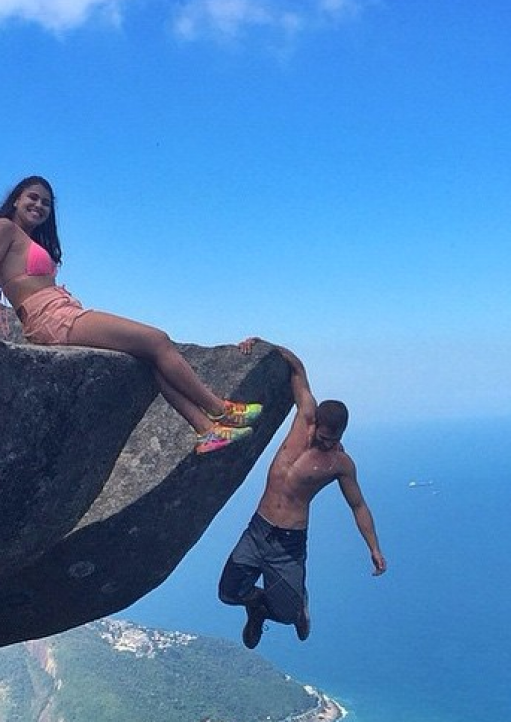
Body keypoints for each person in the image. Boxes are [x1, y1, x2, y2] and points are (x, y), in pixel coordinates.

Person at [0, 175, 262, 454]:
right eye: (33, 197)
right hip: (49, 316)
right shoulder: (5, 227)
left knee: (148, 358)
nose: (39, 205)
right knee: (158, 340)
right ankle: (219, 409)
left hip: (61, 311)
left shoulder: (28, 239)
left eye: (46, 203)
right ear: (16, 199)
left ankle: (207, 430)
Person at [219, 337, 386, 649]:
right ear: (315, 423)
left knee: (285, 613)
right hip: (258, 528)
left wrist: (374, 548)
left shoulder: (340, 463)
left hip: (288, 541)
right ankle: (255, 606)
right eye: (323, 437)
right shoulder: (305, 413)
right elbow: (296, 367)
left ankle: (296, 605)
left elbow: (358, 505)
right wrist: (261, 343)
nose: (326, 444)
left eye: (332, 439)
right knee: (228, 592)